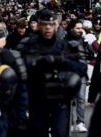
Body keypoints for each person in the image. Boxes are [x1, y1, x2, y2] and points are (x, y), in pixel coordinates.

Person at [19, 9, 84, 137]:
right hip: (37, 98)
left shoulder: (66, 46)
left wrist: (61, 61)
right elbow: (19, 69)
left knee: (60, 133)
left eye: (51, 24)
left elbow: (81, 69)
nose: (48, 28)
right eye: (44, 24)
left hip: (60, 98)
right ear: (38, 25)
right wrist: (38, 63)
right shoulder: (28, 45)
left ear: (56, 26)